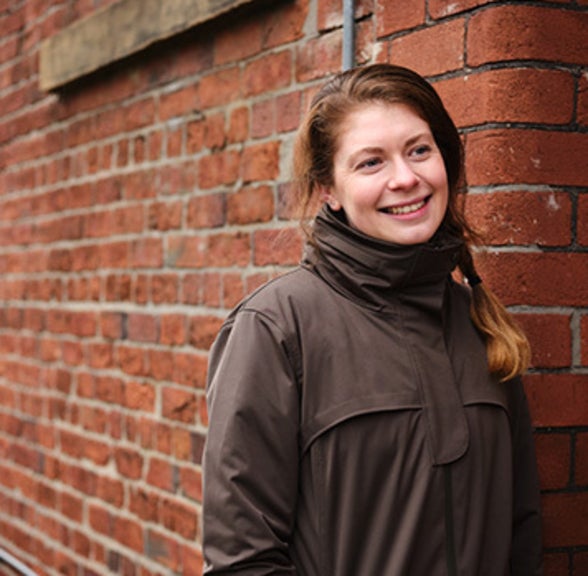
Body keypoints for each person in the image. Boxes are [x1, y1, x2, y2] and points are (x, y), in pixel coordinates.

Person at [202, 64, 543, 575]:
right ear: (328, 190)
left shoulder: (480, 324)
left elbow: (523, 530)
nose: (405, 178)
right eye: (370, 163)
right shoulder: (277, 328)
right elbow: (242, 560)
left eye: (419, 150)